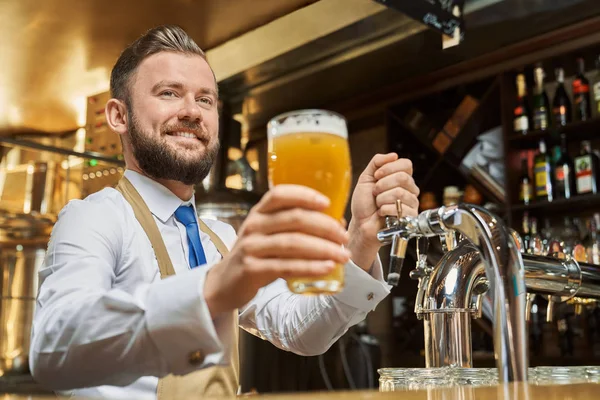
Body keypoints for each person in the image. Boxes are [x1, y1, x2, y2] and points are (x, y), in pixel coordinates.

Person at [29, 25, 420, 399]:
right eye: (168, 93)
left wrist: (360, 240)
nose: (193, 112)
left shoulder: (221, 237)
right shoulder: (95, 217)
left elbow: (302, 332)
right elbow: (54, 348)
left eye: (205, 99)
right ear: (119, 116)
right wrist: (214, 289)